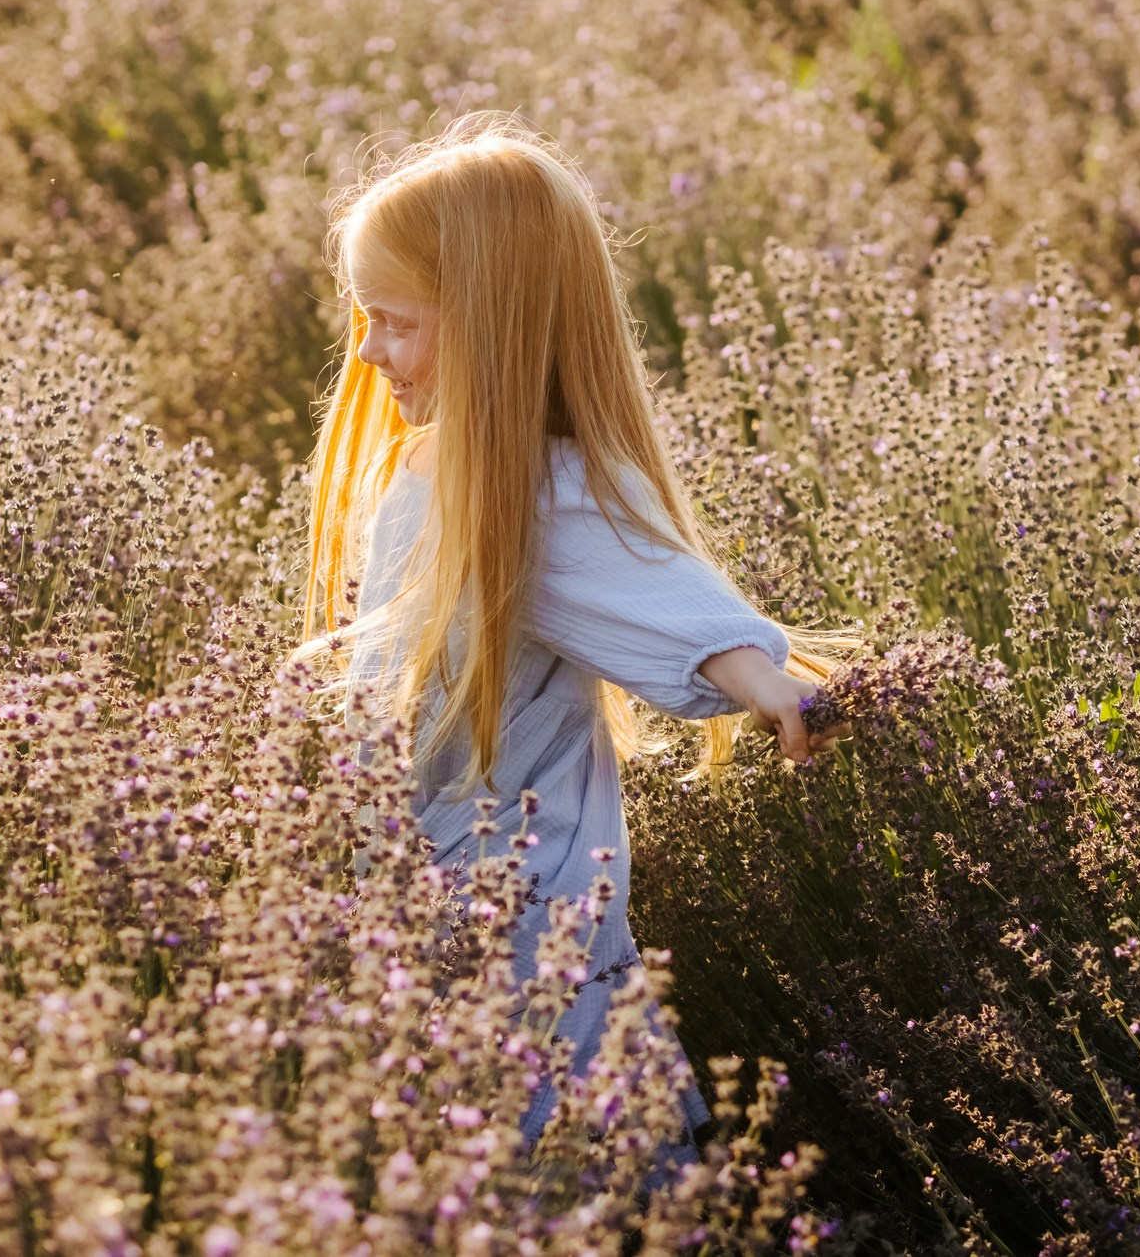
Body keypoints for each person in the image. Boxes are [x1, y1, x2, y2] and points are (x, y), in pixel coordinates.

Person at [293, 110, 862, 1156]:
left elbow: (665, 599)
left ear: (488, 322)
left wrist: (772, 689)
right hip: (424, 946)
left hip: (524, 970)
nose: (366, 350)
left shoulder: (534, 496)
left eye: (393, 320)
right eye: (360, 318)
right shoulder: (424, 474)